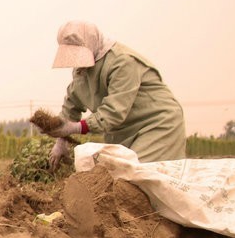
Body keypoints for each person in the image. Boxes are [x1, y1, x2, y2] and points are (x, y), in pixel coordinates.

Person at [43, 20, 187, 170]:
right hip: (123, 131)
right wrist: (61, 141)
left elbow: (114, 111)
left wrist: (77, 128)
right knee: (116, 176)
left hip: (157, 124)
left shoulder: (122, 62)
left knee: (138, 175)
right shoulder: (82, 70)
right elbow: (72, 102)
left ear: (91, 44)